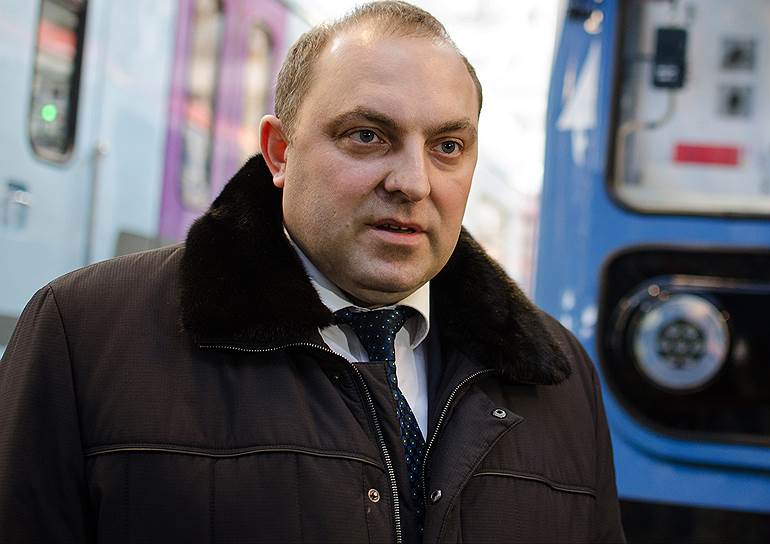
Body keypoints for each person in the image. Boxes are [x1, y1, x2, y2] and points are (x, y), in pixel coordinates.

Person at [0, 2, 624, 542]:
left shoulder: (558, 377)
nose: (413, 182)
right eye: (367, 136)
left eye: (447, 147)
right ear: (279, 152)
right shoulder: (86, 336)